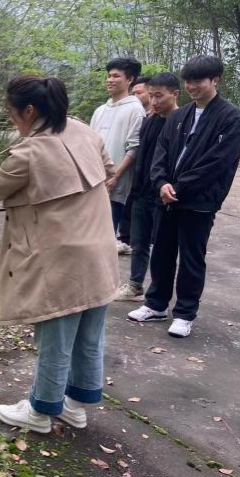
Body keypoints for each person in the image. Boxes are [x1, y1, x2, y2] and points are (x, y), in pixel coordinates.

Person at [0, 75, 119, 433]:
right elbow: (109, 173)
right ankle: (76, 406)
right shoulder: (84, 131)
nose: (11, 118)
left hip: (63, 258)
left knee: (56, 335)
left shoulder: (29, 153)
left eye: (11, 112)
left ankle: (40, 411)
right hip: (101, 249)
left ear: (29, 110)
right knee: (90, 333)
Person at [128, 56, 240, 338]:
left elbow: (218, 162)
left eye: (198, 81)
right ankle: (156, 304)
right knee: (163, 252)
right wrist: (162, 182)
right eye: (188, 81)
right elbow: (161, 152)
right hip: (166, 196)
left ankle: (185, 313)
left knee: (192, 256)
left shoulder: (230, 117)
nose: (192, 86)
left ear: (215, 80)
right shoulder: (180, 116)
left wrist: (178, 188)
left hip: (199, 200)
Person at [117, 73, 181, 301]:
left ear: (174, 94)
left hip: (164, 195)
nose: (153, 101)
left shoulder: (182, 122)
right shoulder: (150, 120)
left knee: (163, 247)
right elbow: (141, 156)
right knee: (138, 242)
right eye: (151, 95)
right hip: (141, 192)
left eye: (158, 96)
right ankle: (135, 284)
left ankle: (158, 291)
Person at [90, 58, 147, 249]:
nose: (110, 80)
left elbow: (134, 147)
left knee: (106, 235)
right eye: (109, 76)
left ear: (130, 79)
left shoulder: (135, 110)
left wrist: (116, 175)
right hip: (93, 179)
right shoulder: (100, 110)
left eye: (116, 76)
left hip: (115, 183)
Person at [117, 76, 154, 254]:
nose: (135, 96)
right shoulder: (134, 115)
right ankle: (125, 238)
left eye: (139, 93)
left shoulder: (155, 118)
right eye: (133, 93)